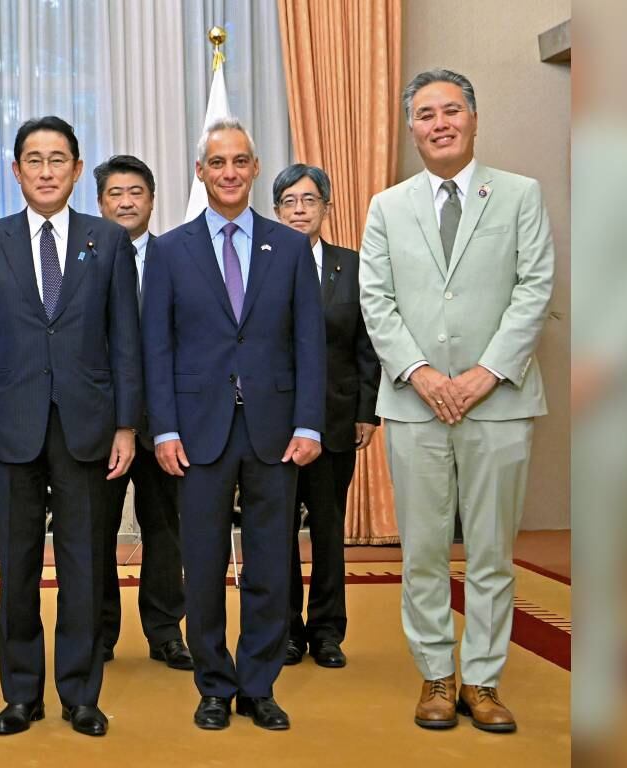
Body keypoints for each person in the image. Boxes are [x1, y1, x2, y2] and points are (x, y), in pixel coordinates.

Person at [359, 68, 554, 733]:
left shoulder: (521, 195)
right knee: (421, 550)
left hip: (498, 403)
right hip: (415, 405)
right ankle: (437, 676)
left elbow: (535, 289)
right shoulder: (387, 205)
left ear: (473, 118)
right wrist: (421, 373)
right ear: (411, 127)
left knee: (494, 552)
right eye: (425, 113)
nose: (439, 122)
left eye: (450, 110)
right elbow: (376, 301)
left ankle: (484, 680)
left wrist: (484, 373)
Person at [0, 116, 141, 738]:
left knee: (85, 564)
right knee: (16, 564)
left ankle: (81, 694)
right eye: (33, 160)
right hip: (10, 425)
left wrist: (126, 425)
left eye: (57, 159)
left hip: (88, 424)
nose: (45, 170)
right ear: (15, 171)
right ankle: (20, 695)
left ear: (76, 168)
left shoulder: (107, 241)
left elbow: (125, 341)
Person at [142, 117, 325, 732]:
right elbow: (156, 349)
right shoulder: (169, 250)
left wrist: (310, 423)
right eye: (217, 162)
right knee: (203, 563)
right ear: (200, 171)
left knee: (272, 565)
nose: (228, 172)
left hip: (275, 429)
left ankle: (259, 683)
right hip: (196, 431)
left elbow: (309, 344)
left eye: (240, 161)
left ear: (253, 168)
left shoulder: (292, 248)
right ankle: (214, 683)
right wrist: (162, 429)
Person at [271, 163, 381, 670]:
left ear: (326, 208)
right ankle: (288, 630)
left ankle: (327, 631)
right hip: (274, 424)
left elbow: (367, 345)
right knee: (278, 531)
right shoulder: (260, 264)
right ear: (276, 211)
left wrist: (366, 411)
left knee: (329, 530)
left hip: (336, 418)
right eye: (289, 201)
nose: (299, 210)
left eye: (309, 200)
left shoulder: (353, 266)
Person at [92, 154, 192, 671]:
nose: (127, 201)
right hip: (100, 424)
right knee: (95, 530)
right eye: (115, 193)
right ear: (100, 201)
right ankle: (101, 631)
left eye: (136, 192)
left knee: (166, 528)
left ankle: (164, 630)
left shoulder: (176, 257)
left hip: (165, 422)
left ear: (152, 200)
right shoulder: (82, 257)